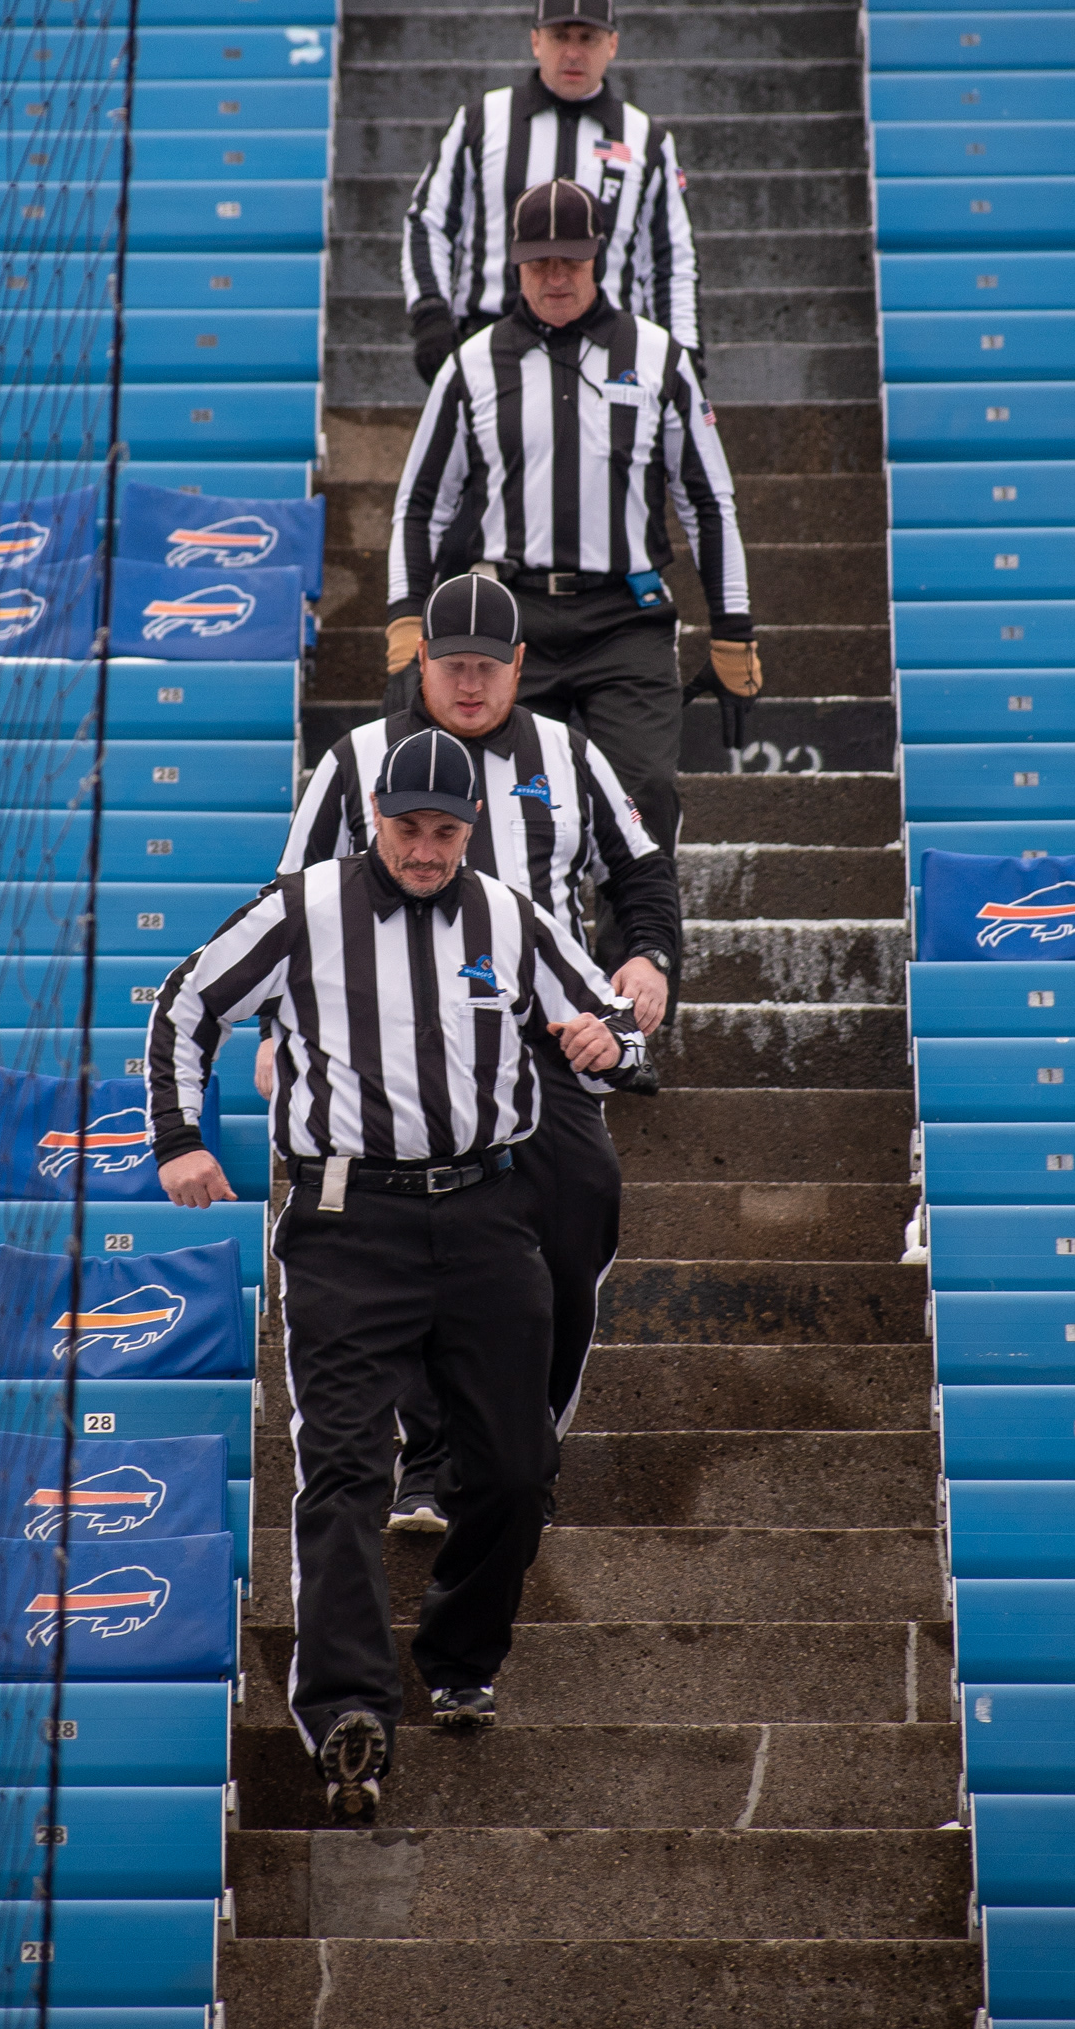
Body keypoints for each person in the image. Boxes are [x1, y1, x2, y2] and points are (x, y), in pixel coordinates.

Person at [146, 727, 650, 1823]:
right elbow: (187, 1004)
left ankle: (460, 1658)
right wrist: (181, 1137)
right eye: (407, 827)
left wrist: (610, 1044)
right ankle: (345, 1713)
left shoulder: (510, 916)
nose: (426, 849)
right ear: (374, 818)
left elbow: (604, 1014)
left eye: (447, 830)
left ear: (471, 830)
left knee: (516, 1471)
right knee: (342, 1473)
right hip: (345, 1221)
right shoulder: (303, 907)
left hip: (485, 1215)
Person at [268, 570, 680, 1532]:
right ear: (421, 662)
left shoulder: (570, 755)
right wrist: (278, 1037)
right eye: (452, 666)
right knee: (418, 1239)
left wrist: (648, 960)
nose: (469, 685)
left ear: (520, 666)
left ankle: (522, 1434)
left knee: (580, 1219)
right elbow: (286, 911)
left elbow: (643, 868)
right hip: (392, 1046)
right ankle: (432, 1458)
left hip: (545, 1038)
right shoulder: (357, 759)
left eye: (488, 669)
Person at [386, 176, 760, 892]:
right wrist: (406, 618)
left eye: (571, 261)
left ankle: (637, 986)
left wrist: (733, 626)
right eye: (539, 263)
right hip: (510, 619)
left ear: (599, 257)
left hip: (626, 618)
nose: (555, 278)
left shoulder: (658, 359)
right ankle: (522, 989)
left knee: (644, 794)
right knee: (504, 809)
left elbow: (709, 499)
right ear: (514, 262)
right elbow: (419, 502)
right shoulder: (471, 364)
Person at [402, 0, 702, 387]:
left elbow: (672, 259)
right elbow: (428, 220)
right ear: (535, 41)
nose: (573, 53)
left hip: (610, 351)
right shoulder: (482, 121)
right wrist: (430, 313)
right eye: (561, 36)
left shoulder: (646, 139)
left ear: (612, 44)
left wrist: (685, 351)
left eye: (588, 38)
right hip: (493, 341)